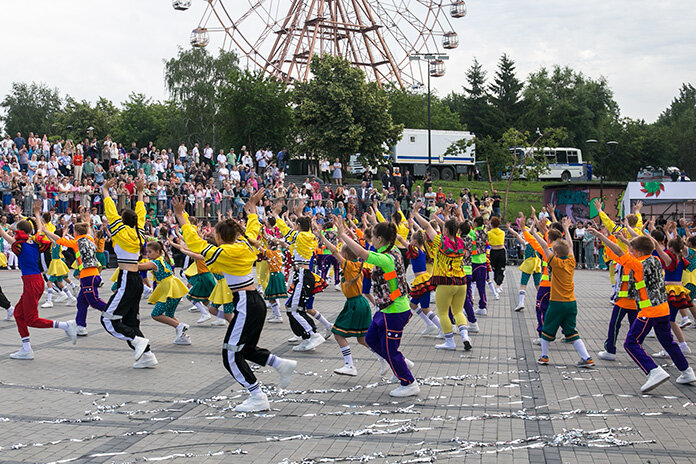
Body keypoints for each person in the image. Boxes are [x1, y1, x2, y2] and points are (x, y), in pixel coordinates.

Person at [172, 189, 297, 412]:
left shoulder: (225, 252)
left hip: (245, 303)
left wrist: (181, 216)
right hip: (254, 302)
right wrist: (252, 209)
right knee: (246, 349)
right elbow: (252, 229)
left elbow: (195, 242)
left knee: (229, 353)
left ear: (219, 237)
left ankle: (257, 396)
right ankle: (281, 364)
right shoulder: (246, 245)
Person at [591, 229, 696, 392]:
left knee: (631, 343)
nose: (629, 252)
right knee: (668, 341)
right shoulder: (654, 259)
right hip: (663, 309)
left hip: (649, 311)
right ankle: (687, 371)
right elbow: (645, 246)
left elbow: (618, 251)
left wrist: (601, 236)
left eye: (632, 250)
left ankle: (654, 371)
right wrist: (627, 241)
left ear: (638, 252)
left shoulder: (637, 264)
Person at [335, 218, 419, 397]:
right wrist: (347, 233)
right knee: (371, 339)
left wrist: (342, 235)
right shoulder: (391, 249)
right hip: (385, 309)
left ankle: (409, 382)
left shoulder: (387, 258)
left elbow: (361, 252)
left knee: (390, 349)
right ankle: (401, 363)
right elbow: (363, 248)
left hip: (396, 311)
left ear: (380, 239)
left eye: (372, 236)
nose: (370, 240)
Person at [0, 215, 77, 360]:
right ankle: (26, 348)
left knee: (31, 319)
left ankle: (65, 325)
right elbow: (40, 230)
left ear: (19, 231)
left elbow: (3, 233)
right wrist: (36, 215)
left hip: (31, 283)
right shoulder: (34, 242)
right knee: (18, 314)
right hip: (35, 281)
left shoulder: (20, 245)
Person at [101, 177, 157, 368]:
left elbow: (110, 212)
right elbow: (140, 214)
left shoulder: (121, 232)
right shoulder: (140, 231)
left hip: (126, 278)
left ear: (123, 221)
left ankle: (138, 341)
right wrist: (140, 192)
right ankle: (148, 356)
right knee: (131, 321)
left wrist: (106, 190)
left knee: (107, 319)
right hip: (136, 280)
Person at [530, 217, 594, 367]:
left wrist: (534, 233)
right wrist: (566, 228)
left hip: (557, 302)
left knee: (547, 329)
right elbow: (570, 245)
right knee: (571, 331)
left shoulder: (556, 262)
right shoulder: (571, 261)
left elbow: (545, 247)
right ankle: (586, 357)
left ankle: (544, 356)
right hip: (571, 303)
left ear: (556, 253)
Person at [413, 200, 472, 352]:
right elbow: (452, 227)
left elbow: (426, 226)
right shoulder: (461, 243)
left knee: (444, 313)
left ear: (445, 231)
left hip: (445, 283)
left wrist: (415, 213)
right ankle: (465, 336)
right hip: (461, 282)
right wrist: (447, 217)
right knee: (458, 311)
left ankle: (450, 341)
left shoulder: (440, 241)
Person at [316, 221, 372, 377]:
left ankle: (349, 365)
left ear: (346, 255)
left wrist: (322, 237)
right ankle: (385, 358)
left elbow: (333, 251)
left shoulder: (348, 266)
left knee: (338, 333)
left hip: (354, 304)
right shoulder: (360, 264)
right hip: (362, 303)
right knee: (362, 339)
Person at [41, 211, 106, 337]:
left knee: (94, 301)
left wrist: (46, 231)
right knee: (81, 301)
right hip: (93, 275)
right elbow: (86, 232)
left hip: (88, 276)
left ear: (75, 233)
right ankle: (80, 326)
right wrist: (86, 220)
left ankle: (115, 313)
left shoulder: (76, 243)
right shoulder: (89, 238)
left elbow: (58, 239)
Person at [139, 241, 191, 345]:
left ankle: (180, 326)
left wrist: (127, 261)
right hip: (174, 289)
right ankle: (183, 336)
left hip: (169, 290)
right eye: (147, 252)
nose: (148, 254)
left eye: (150, 252)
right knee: (170, 315)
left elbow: (140, 267)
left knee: (155, 314)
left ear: (158, 252)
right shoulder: (161, 259)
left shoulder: (155, 263)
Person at [507, 218, 542, 312]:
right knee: (538, 284)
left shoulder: (526, 243)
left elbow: (516, 234)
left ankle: (521, 303)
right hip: (537, 264)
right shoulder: (537, 242)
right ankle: (544, 300)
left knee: (523, 284)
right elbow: (531, 231)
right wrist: (534, 221)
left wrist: (509, 228)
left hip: (528, 264)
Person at [488, 217, 506, 294]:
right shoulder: (502, 232)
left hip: (494, 251)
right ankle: (499, 284)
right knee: (499, 269)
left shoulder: (489, 233)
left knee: (496, 269)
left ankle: (498, 285)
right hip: (501, 251)